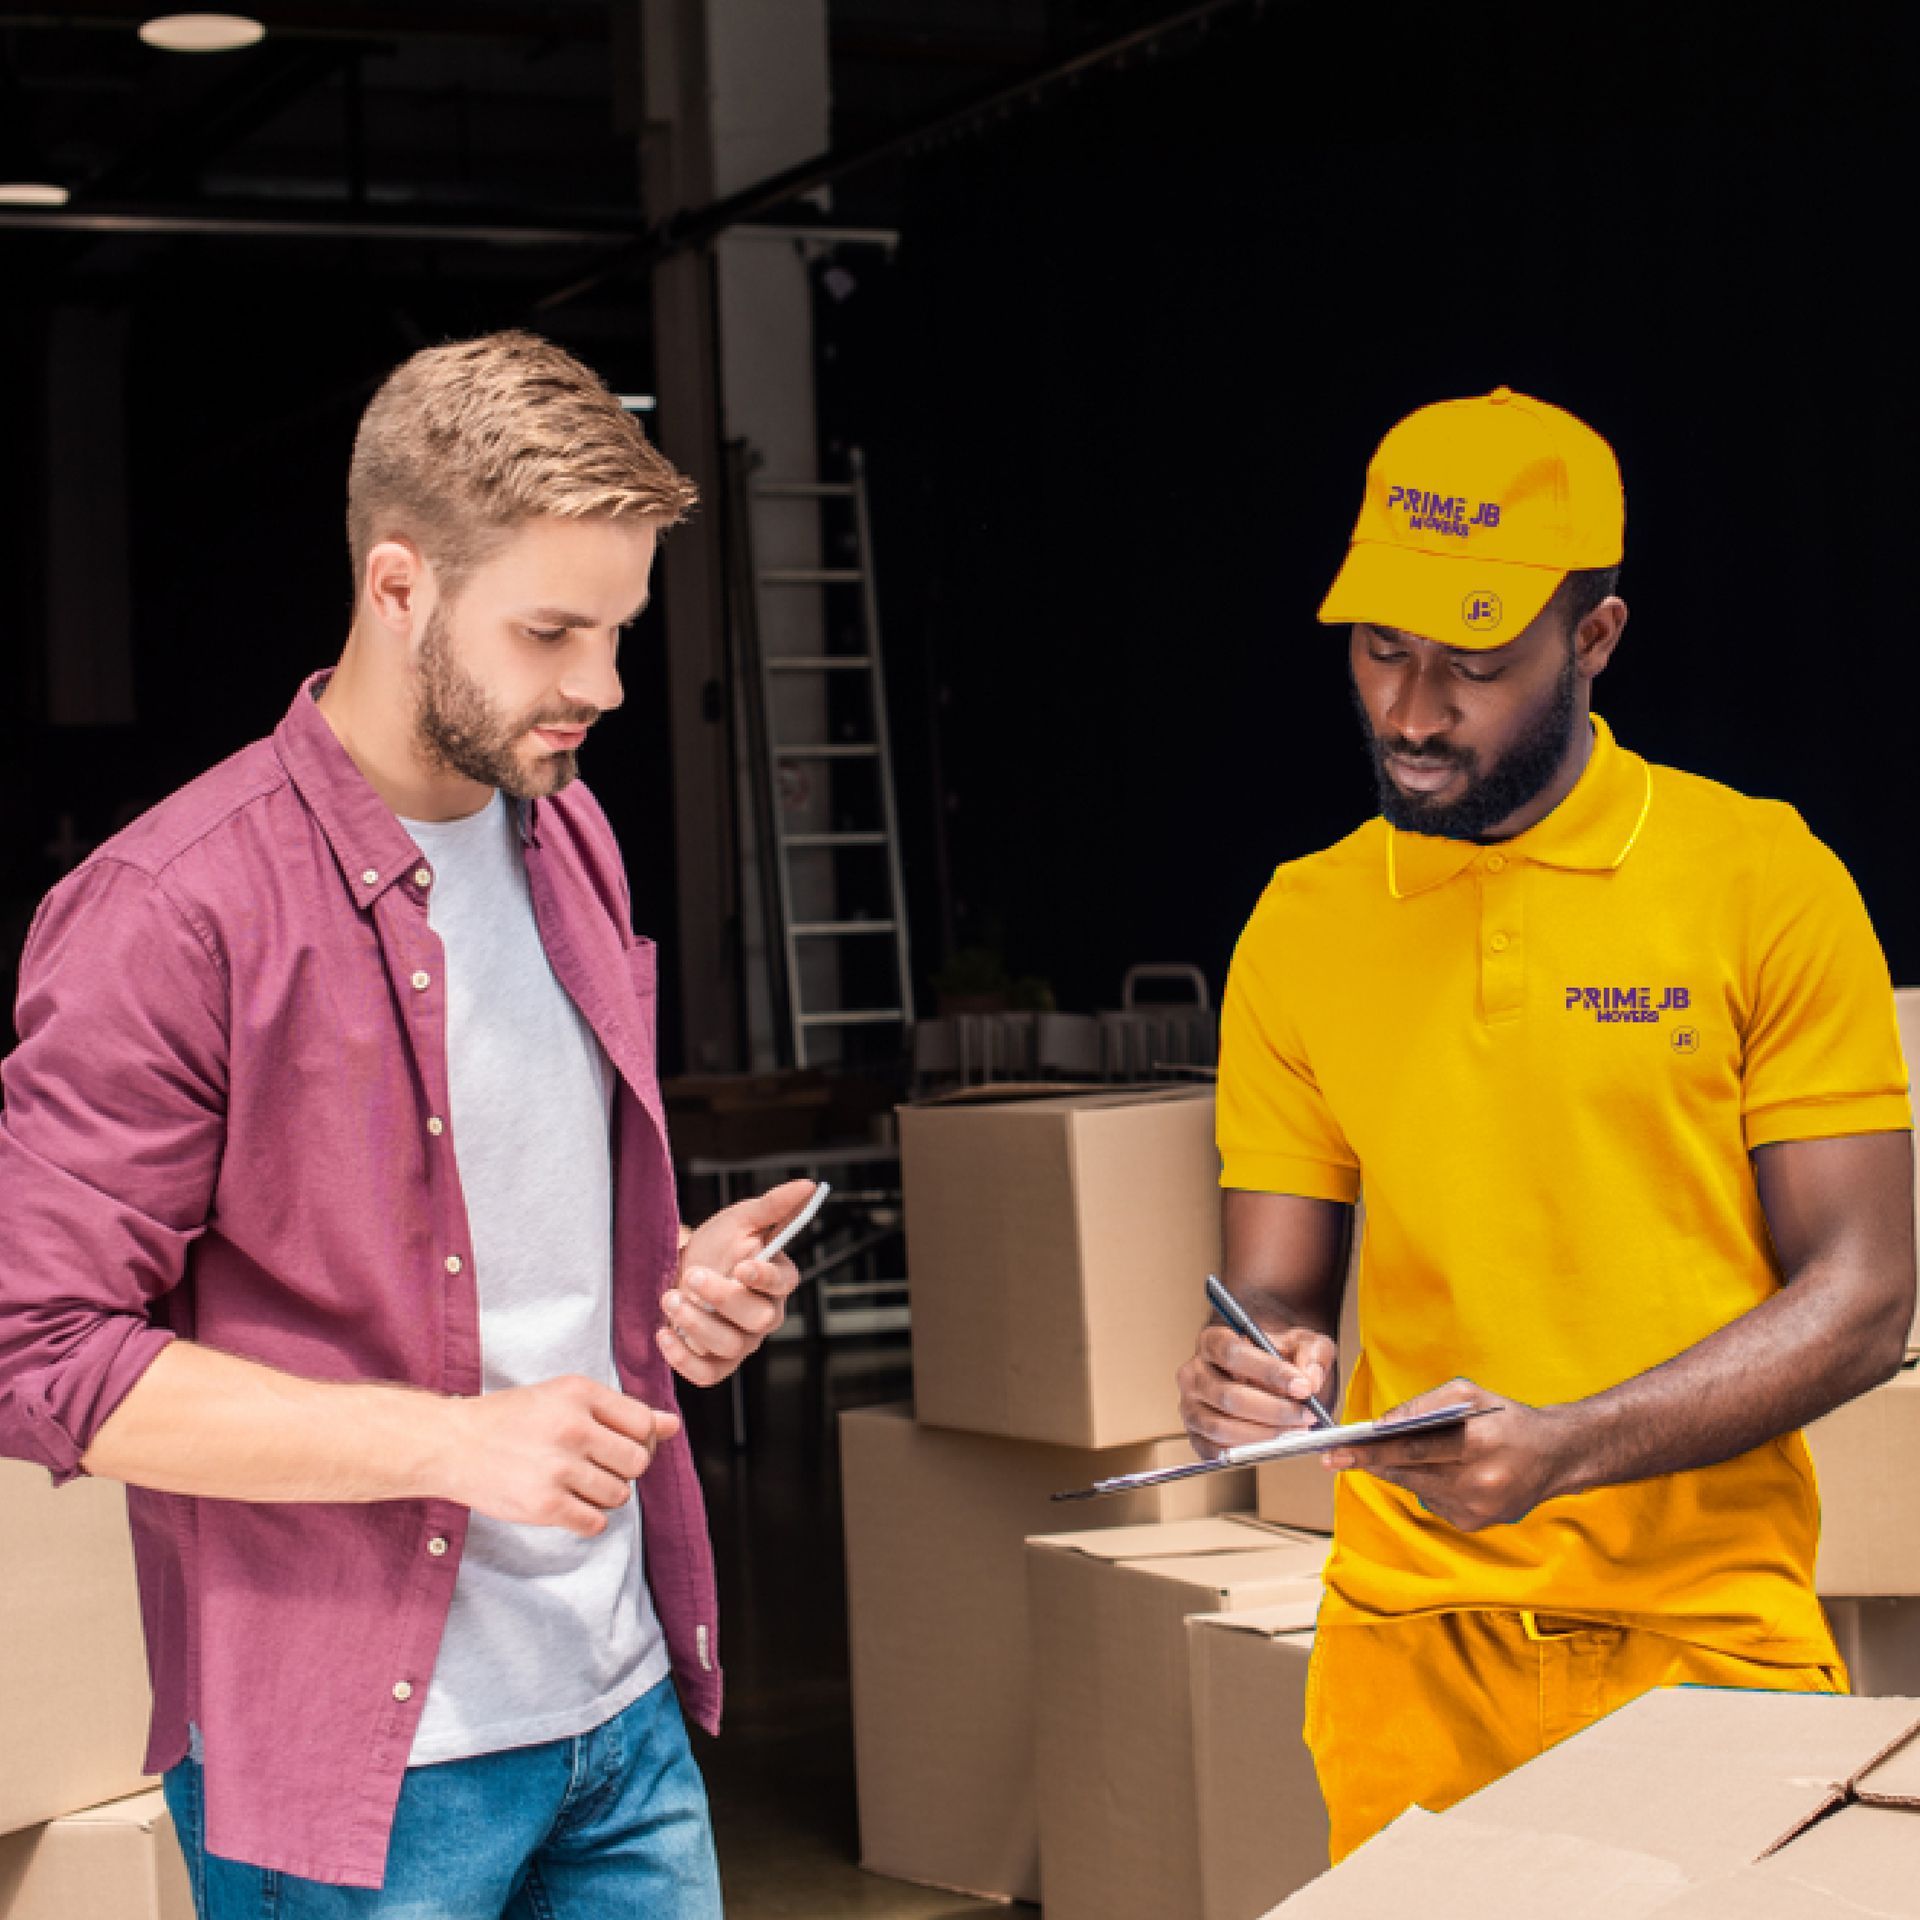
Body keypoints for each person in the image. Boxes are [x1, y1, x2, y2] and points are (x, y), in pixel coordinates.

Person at [0, 329, 812, 1916]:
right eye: (551, 631)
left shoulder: (567, 834)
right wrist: (452, 1446)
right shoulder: (173, 912)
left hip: (620, 1714)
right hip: (364, 1780)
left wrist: (678, 1307)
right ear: (396, 587)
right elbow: (38, 1356)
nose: (601, 687)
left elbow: (510, 1268)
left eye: (623, 631)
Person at [1178, 385, 1916, 1864]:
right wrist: (1252, 1372)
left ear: (1595, 641)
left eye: (1477, 664)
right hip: (1407, 1654)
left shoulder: (1760, 881)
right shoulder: (1306, 921)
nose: (1410, 708)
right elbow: (1273, 1290)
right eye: (1381, 649)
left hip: (1703, 1646)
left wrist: (1571, 1446)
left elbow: (1865, 1299)